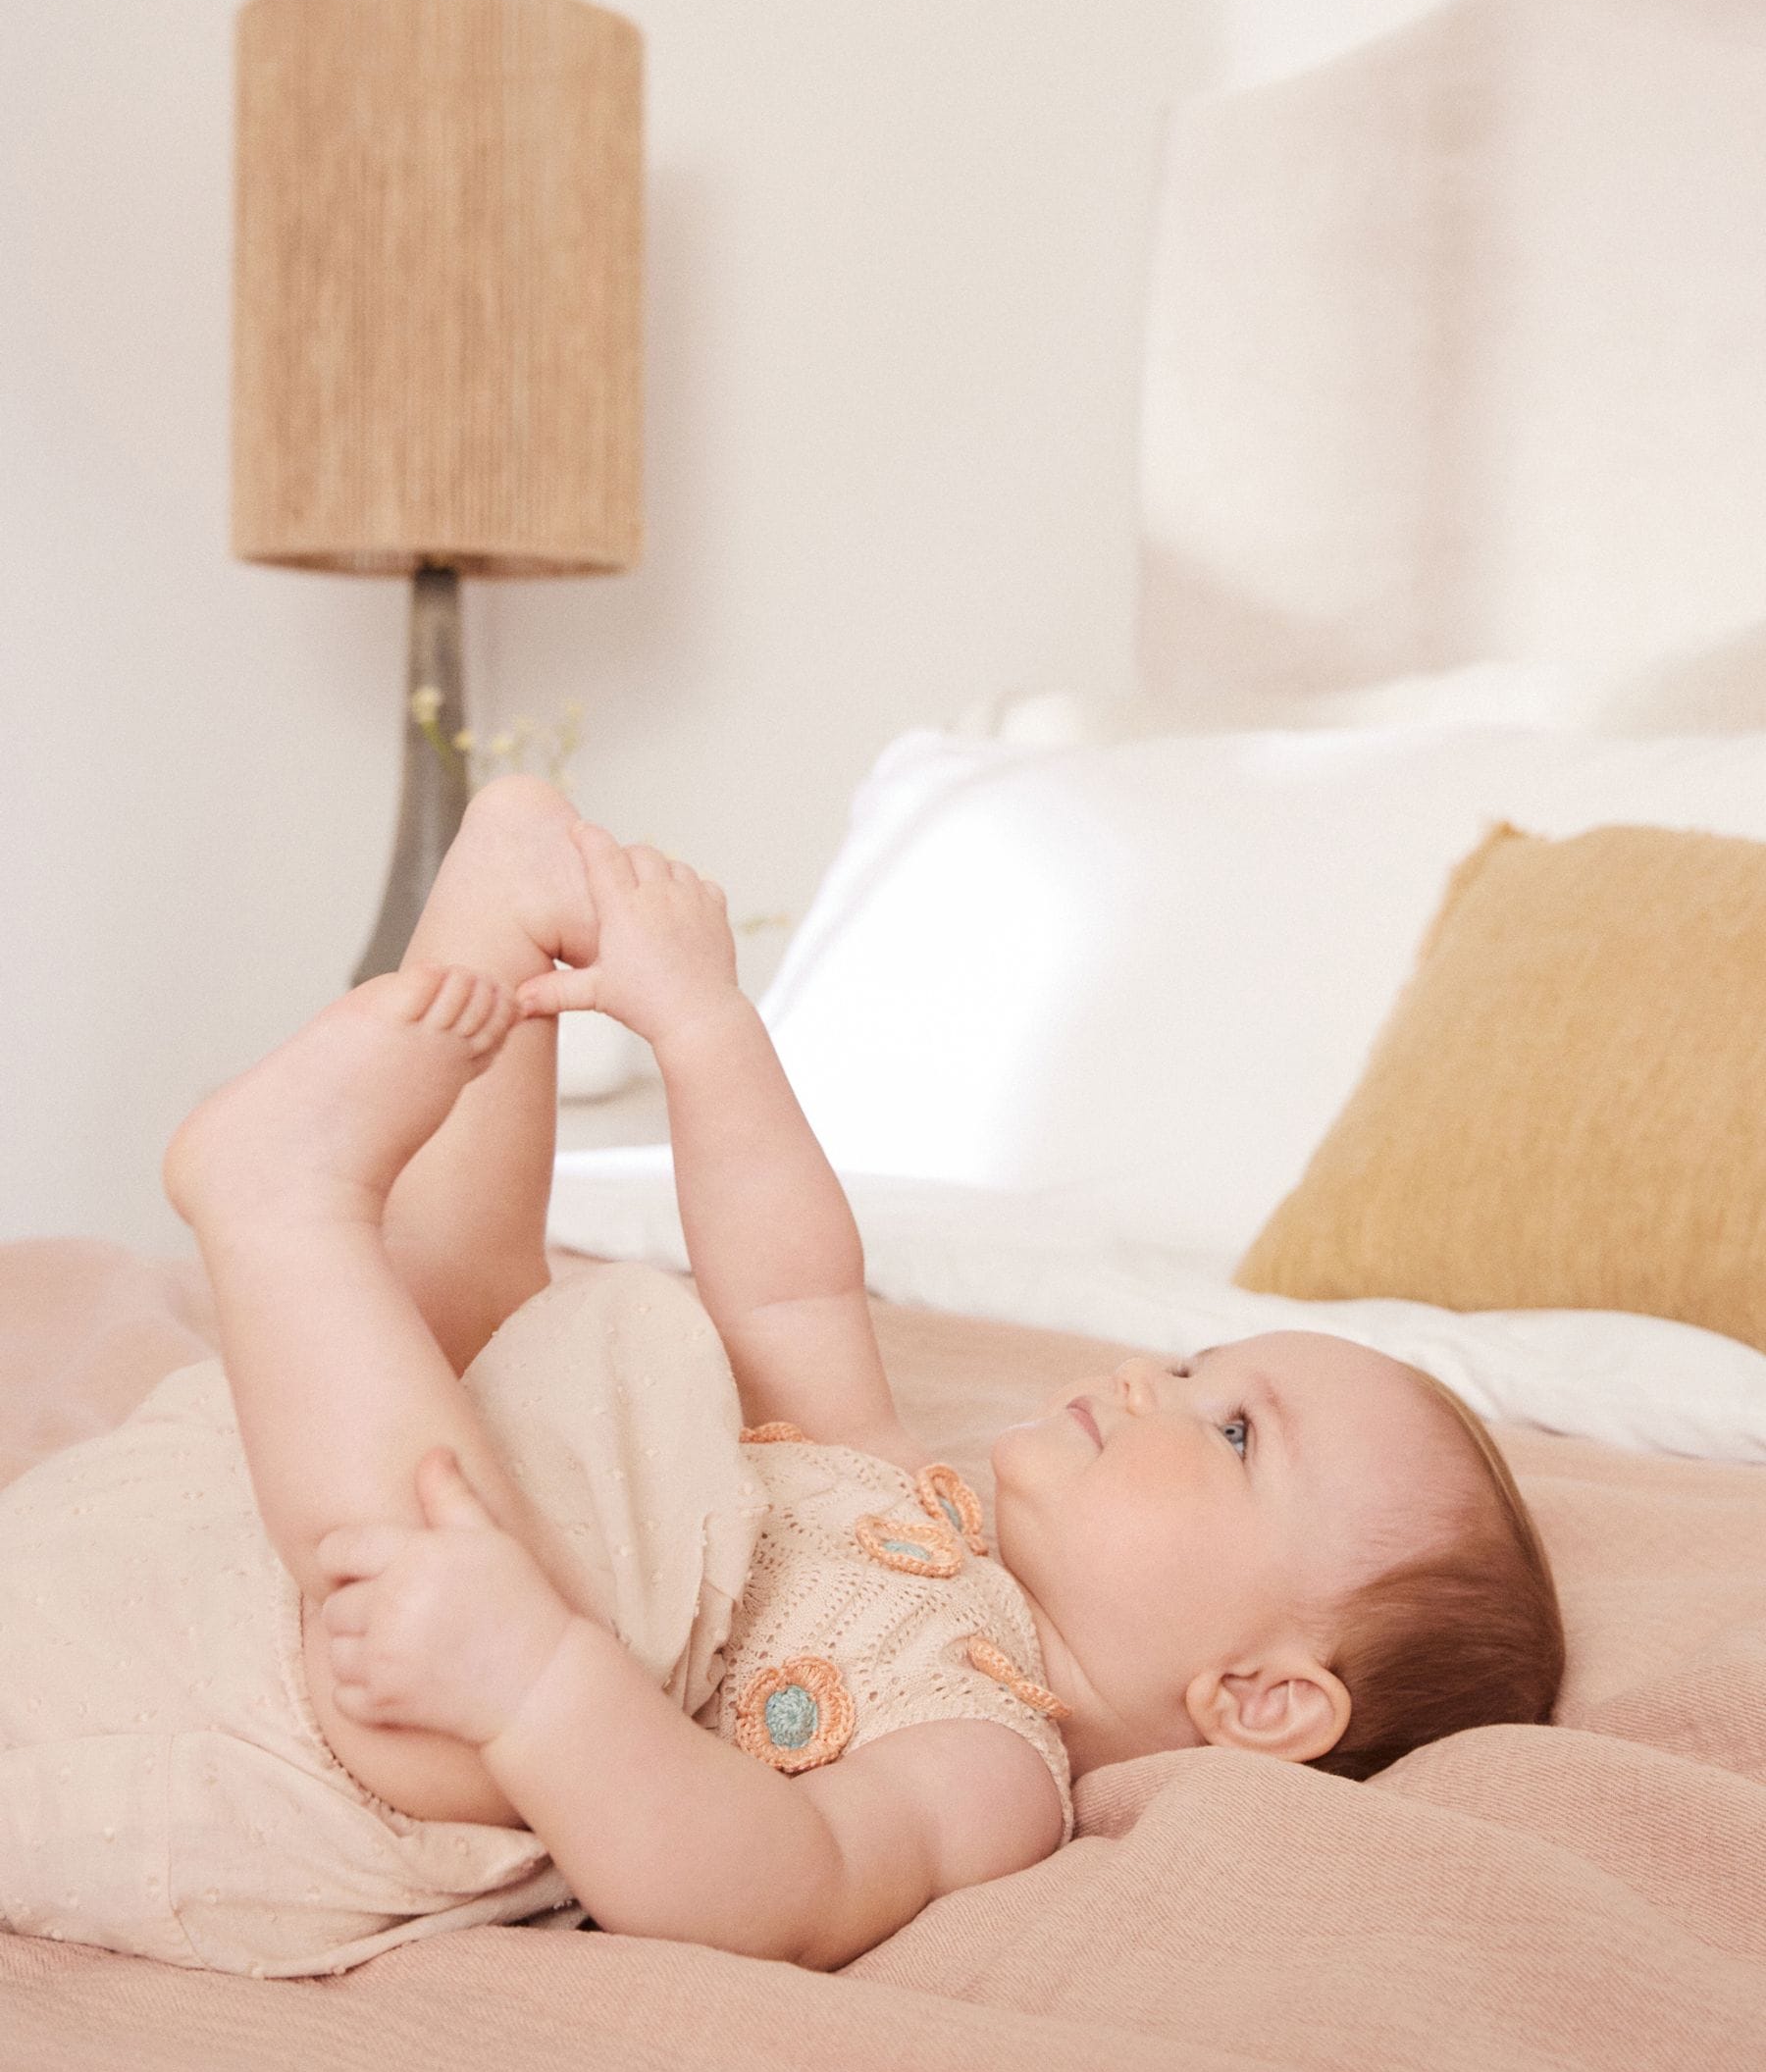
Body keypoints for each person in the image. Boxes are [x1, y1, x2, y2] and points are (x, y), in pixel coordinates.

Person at [0, 779, 1564, 1980]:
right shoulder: (911, 1498)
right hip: (376, 1497)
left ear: (1263, 1697)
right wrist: (702, 1021)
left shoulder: (996, 1771)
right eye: (1187, 1356)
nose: (1146, 1380)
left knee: (457, 1599)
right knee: (492, 1319)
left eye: (1231, 1429)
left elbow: (779, 1886)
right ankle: (495, 914)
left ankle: (285, 1206)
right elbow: (794, 1283)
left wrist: (532, 1674)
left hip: (395, 1713)